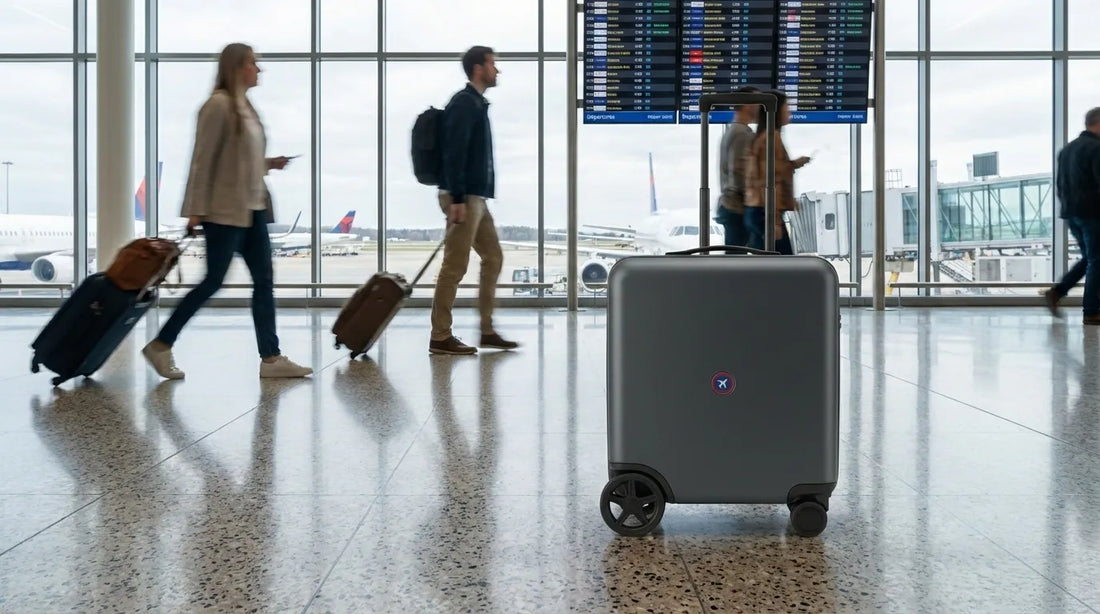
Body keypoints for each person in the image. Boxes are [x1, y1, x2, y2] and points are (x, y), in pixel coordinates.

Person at [141, 43, 312, 380]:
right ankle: (161, 344)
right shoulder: (217, 106)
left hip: (253, 209)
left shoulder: (245, 107)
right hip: (224, 212)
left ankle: (271, 358)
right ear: (236, 67)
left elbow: (240, 159)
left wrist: (269, 163)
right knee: (212, 281)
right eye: (253, 63)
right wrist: (195, 211)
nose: (259, 69)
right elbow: (202, 160)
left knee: (264, 281)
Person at [428, 45, 519, 355]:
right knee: (455, 266)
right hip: (462, 197)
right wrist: (456, 198)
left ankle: (487, 330)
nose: (497, 69)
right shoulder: (464, 103)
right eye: (493, 64)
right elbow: (453, 152)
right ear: (479, 68)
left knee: (493, 257)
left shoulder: (476, 103)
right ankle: (440, 336)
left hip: (475, 196)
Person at [1044, 107, 1100, 324]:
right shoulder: (1096, 148)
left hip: (1072, 214)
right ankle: (1092, 311)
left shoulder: (1066, 151)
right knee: (1096, 261)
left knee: (1090, 259)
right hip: (1093, 214)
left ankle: (1058, 291)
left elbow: (1060, 185)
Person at [741, 90, 810, 254]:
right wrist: (775, 221)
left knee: (765, 262)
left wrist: (793, 164)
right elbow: (769, 182)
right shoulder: (771, 138)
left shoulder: (762, 137)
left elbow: (772, 170)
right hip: (765, 213)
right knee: (783, 262)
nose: (789, 112)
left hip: (757, 210)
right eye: (787, 107)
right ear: (776, 111)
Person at [714, 86, 760, 250]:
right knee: (738, 257)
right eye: (758, 103)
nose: (760, 107)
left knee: (735, 256)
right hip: (738, 208)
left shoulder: (733, 130)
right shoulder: (742, 133)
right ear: (747, 105)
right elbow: (739, 171)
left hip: (732, 206)